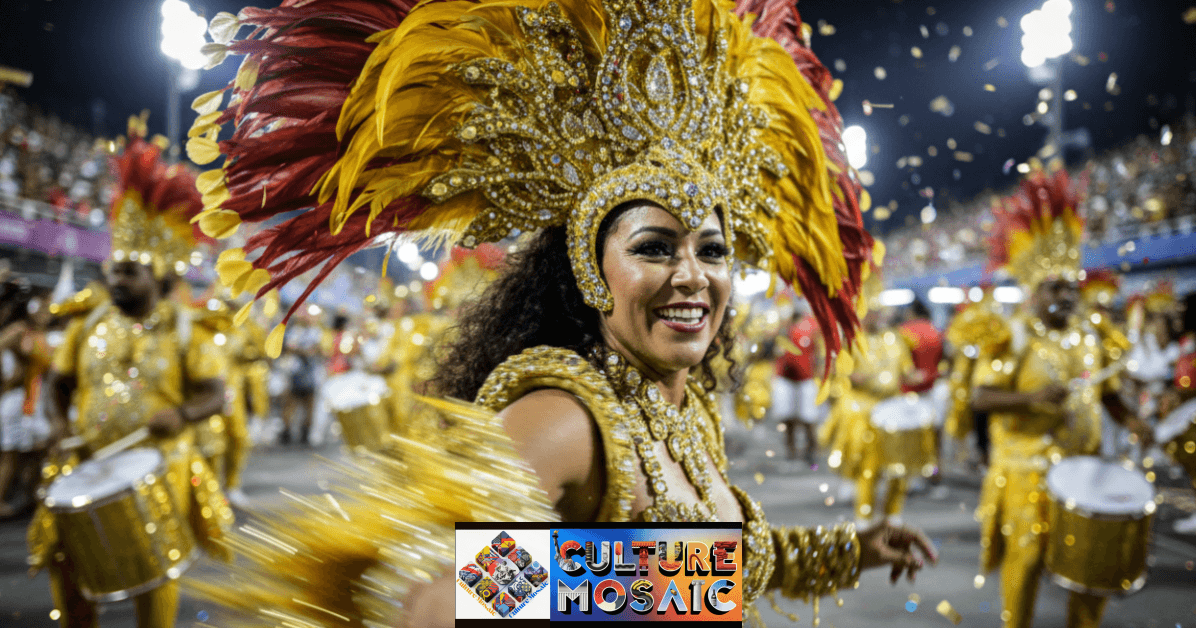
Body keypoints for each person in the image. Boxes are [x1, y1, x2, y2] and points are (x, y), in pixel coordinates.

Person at [187, 0, 936, 625]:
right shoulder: (565, 413)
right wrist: (659, 584)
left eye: (712, 251)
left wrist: (852, 548)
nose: (691, 277)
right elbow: (425, 598)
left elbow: (727, 559)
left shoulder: (681, 408)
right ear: (589, 265)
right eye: (654, 247)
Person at [27, 121, 233, 628]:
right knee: (69, 566)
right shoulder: (86, 324)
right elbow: (58, 383)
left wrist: (182, 413)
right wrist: (58, 427)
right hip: (91, 461)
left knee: (155, 569)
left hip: (161, 464)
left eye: (128, 272)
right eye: (113, 269)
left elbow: (216, 394)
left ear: (157, 276)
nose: (114, 280)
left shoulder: (188, 331)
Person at [970, 164, 1153, 628]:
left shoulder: (1091, 337)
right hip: (1025, 468)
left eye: (1072, 287)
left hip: (1083, 465)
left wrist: (1132, 420)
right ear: (1033, 291)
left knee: (1091, 566)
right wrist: (1032, 400)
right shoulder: (1008, 337)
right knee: (1027, 558)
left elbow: (1108, 393)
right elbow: (981, 398)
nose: (1067, 296)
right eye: (1056, 287)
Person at [0, 282, 53, 518]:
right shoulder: (20, 330)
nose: (46, 312)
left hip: (32, 404)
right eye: (42, 306)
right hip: (16, 403)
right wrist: (6, 376)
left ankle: (30, 499)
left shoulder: (39, 335)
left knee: (34, 454)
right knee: (10, 458)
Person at [775, 303, 826, 465]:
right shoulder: (783, 327)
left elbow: (819, 351)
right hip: (786, 377)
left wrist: (819, 370)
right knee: (787, 416)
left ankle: (811, 449)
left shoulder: (812, 326)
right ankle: (791, 450)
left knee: (808, 417)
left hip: (806, 378)